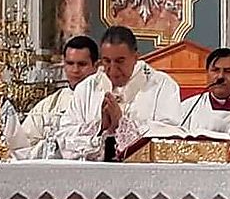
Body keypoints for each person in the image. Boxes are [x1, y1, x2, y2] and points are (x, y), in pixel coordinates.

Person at [58, 26, 182, 160]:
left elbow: (170, 136)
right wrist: (100, 128)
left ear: (135, 57)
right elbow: (64, 136)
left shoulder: (162, 85)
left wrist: (122, 125)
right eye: (107, 61)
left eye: (120, 61)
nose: (112, 69)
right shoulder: (87, 88)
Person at [21, 36, 98, 156]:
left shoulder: (103, 100)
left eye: (82, 64)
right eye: (70, 63)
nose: (75, 70)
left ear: (95, 66)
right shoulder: (49, 105)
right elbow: (24, 144)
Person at [181, 48, 230, 139]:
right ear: (207, 73)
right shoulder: (189, 106)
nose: (220, 77)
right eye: (215, 70)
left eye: (227, 71)